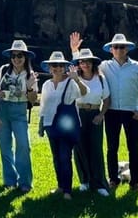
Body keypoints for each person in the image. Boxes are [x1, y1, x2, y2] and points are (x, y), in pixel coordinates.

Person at [74, 33, 138, 191]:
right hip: (111, 112)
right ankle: (113, 179)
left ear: (127, 49)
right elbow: (83, 67)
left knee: (133, 148)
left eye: (122, 47)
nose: (119, 50)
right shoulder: (104, 66)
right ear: (111, 50)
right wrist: (75, 51)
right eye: (116, 47)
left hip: (132, 112)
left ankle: (135, 182)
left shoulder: (137, 67)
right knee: (111, 147)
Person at [39, 51, 89, 200]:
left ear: (65, 67)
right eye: (54, 65)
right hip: (50, 124)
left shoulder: (71, 82)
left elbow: (85, 92)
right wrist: (41, 125)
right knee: (56, 157)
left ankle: (67, 190)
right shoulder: (47, 84)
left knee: (65, 156)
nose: (58, 68)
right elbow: (43, 105)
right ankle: (61, 186)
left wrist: (77, 80)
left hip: (66, 126)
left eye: (61, 65)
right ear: (49, 68)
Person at [68, 42, 111, 197]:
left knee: (96, 149)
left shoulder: (100, 78)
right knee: (79, 148)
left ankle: (99, 183)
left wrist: (101, 115)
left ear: (93, 63)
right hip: (79, 114)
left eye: (87, 61)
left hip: (94, 115)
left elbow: (106, 99)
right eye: (81, 61)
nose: (84, 64)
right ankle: (84, 181)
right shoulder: (75, 78)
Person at [0, 40, 38, 193]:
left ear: (25, 57)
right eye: (13, 56)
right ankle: (9, 180)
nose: (16, 59)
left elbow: (33, 100)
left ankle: (25, 181)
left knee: (24, 145)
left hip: (20, 111)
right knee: (5, 147)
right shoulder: (4, 69)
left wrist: (31, 87)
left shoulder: (30, 75)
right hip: (2, 110)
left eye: (20, 56)